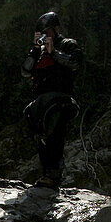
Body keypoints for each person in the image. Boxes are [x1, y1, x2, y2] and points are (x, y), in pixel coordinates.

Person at [21, 10, 82, 189]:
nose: (44, 36)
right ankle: (47, 174)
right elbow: (25, 71)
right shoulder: (38, 51)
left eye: (47, 32)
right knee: (39, 135)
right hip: (41, 100)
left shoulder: (67, 44)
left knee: (55, 134)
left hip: (59, 98)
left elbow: (75, 63)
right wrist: (34, 50)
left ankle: (54, 176)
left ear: (56, 29)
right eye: (41, 34)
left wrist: (53, 51)